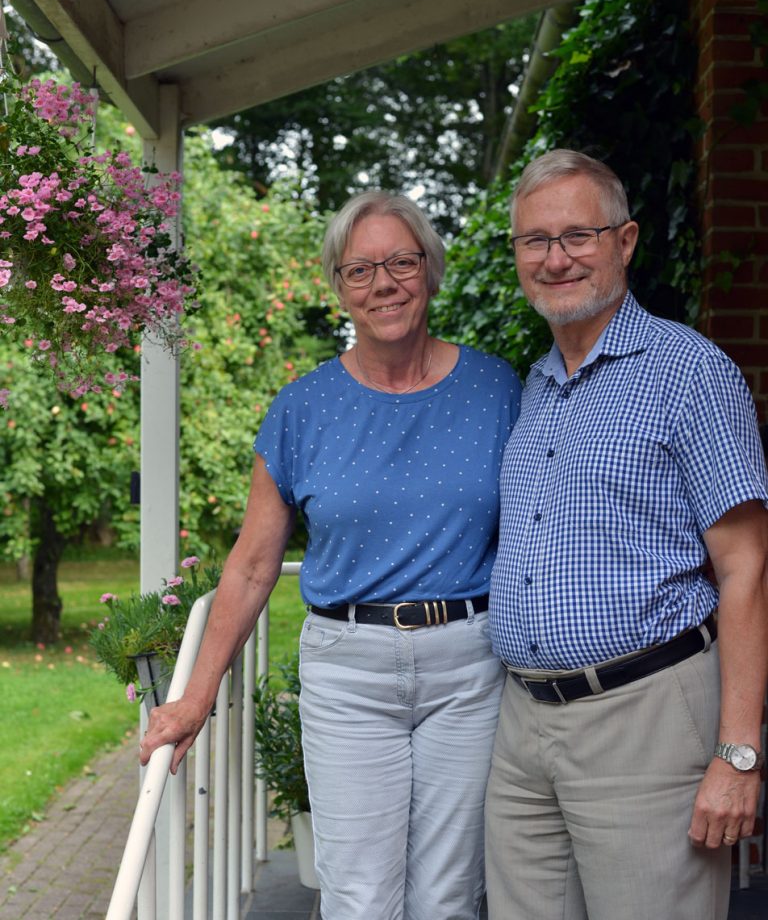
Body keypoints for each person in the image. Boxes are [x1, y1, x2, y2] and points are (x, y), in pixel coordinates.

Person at [141, 191, 522, 920]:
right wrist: (194, 698)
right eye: (360, 270)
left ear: (431, 271)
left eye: (402, 262)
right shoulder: (301, 409)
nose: (384, 283)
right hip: (349, 674)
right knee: (359, 898)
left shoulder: (497, 390)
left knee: (451, 897)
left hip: (470, 670)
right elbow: (253, 565)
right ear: (338, 288)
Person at [484, 149, 768, 920]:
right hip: (524, 730)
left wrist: (739, 755)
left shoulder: (690, 372)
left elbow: (747, 569)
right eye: (535, 241)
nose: (555, 258)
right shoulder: (535, 385)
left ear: (626, 240)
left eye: (579, 234)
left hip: (644, 717)